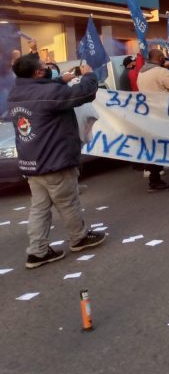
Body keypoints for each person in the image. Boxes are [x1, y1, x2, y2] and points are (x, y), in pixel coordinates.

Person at [8, 55, 106, 268]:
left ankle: (37, 251)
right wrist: (89, 75)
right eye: (44, 66)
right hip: (54, 160)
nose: (48, 67)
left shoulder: (16, 92)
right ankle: (79, 238)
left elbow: (41, 92)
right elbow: (84, 93)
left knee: (39, 208)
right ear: (37, 73)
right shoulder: (48, 94)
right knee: (68, 202)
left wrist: (60, 80)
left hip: (32, 163)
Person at [137, 49, 169, 190]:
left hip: (150, 114)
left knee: (156, 146)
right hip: (165, 113)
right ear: (160, 58)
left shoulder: (142, 72)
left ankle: (154, 178)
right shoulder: (160, 72)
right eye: (163, 58)